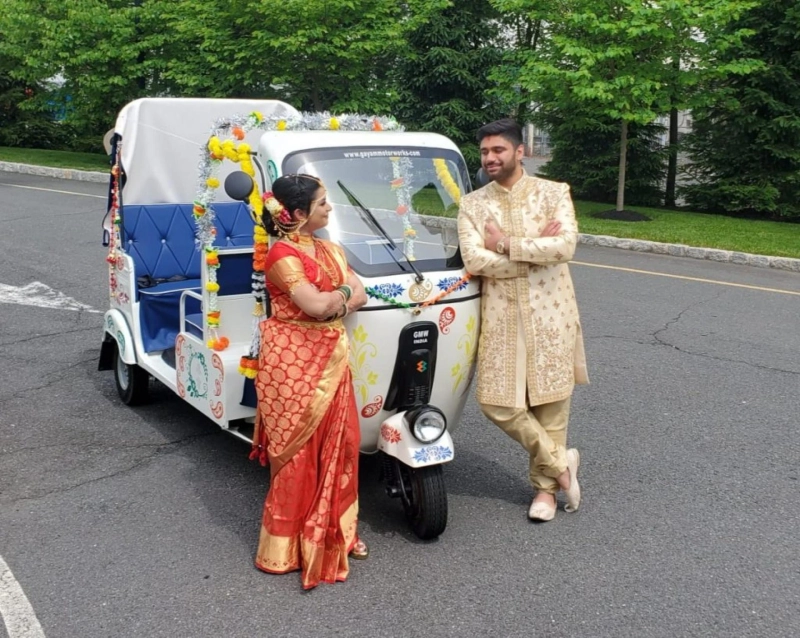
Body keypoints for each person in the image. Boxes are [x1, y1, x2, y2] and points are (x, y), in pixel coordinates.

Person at [457, 119, 589, 522]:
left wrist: (505, 244)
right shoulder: (473, 204)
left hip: (552, 314)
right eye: (484, 152)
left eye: (498, 150)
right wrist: (532, 254)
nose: (490, 158)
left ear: (520, 151)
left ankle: (545, 492)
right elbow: (473, 259)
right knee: (496, 403)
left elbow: (564, 245)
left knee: (550, 404)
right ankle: (561, 464)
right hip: (501, 317)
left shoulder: (553, 193)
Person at [249, 174, 369, 588]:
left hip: (331, 357)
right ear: (299, 214)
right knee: (299, 455)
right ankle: (287, 547)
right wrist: (339, 297)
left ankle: (338, 532)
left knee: (345, 445)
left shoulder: (328, 249)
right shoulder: (281, 256)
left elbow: (361, 293)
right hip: (293, 363)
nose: (329, 208)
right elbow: (318, 305)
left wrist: (334, 299)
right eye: (322, 204)